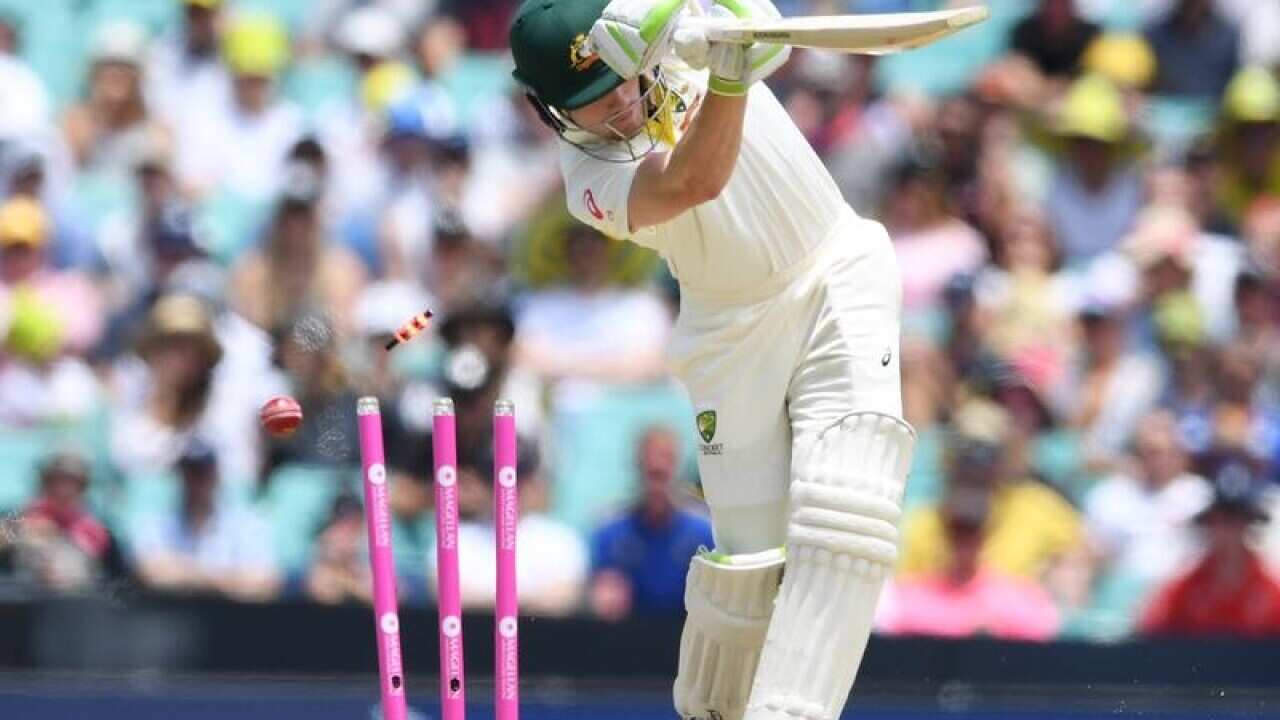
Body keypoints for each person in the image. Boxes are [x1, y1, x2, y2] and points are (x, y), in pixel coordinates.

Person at [509, 1, 915, 718]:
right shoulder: (586, 180)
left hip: (834, 269)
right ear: (547, 109)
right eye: (593, 104)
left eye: (621, 85)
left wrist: (701, 19)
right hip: (728, 336)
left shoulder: (665, 38)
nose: (621, 109)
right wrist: (724, 76)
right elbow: (693, 182)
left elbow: (767, 38)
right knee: (748, 574)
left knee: (848, 504)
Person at [1140, 456, 1280, 637]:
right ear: (1210, 523)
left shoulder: (1270, 588)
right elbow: (1151, 633)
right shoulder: (1185, 586)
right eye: (1222, 519)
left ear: (1249, 524)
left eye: (1237, 519)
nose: (1229, 530)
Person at [588, 426, 713, 620]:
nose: (658, 465)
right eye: (652, 474)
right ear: (638, 467)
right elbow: (604, 593)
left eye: (663, 473)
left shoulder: (703, 534)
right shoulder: (611, 534)